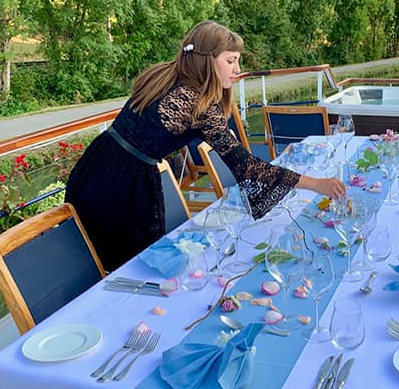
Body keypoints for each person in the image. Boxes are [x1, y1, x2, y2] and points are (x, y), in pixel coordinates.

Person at [66, 20, 345, 271]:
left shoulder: (163, 75)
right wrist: (316, 184)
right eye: (231, 61)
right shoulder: (197, 103)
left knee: (105, 260)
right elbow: (247, 167)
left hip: (96, 165)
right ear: (208, 60)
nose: (237, 70)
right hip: (123, 187)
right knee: (132, 268)